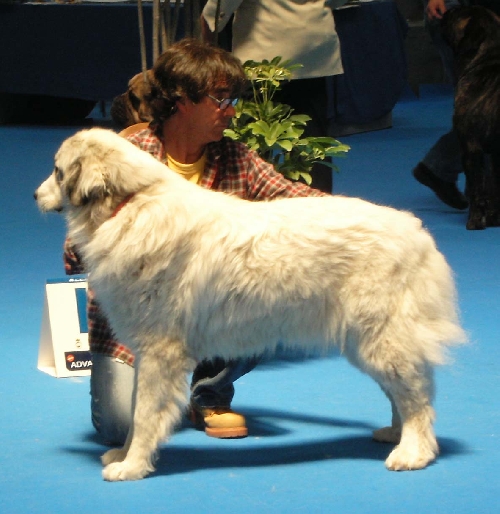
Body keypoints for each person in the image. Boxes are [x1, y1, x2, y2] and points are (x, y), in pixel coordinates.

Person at [64, 38, 326, 445]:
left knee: (267, 283)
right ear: (182, 100)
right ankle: (163, 383)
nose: (232, 111)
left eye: (232, 98)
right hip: (136, 325)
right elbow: (74, 257)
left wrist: (363, 220)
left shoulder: (236, 157)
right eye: (221, 99)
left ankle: (208, 390)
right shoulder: (125, 160)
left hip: (212, 312)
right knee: (119, 429)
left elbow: (300, 198)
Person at [201, 0, 347, 194]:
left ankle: (245, 200)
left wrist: (210, 26)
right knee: (311, 146)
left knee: (249, 141)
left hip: (263, 57)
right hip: (313, 54)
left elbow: (217, 12)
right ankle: (319, 210)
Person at [411, 0, 471, 209]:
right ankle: (440, 168)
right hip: (457, 13)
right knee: (481, 111)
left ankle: (439, 168)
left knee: (483, 112)